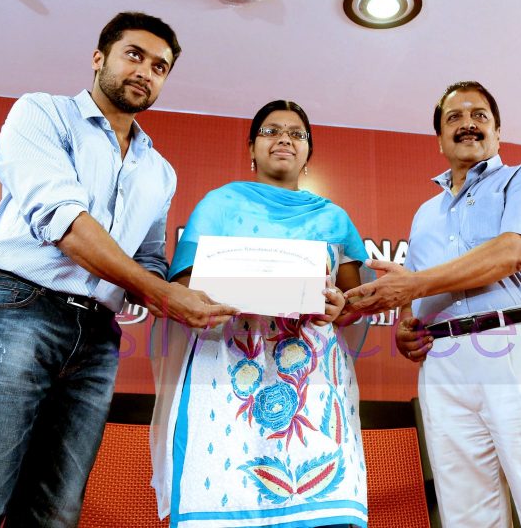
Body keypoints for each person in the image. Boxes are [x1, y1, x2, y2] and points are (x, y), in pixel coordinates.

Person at [0, 11, 236, 528]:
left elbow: (149, 264)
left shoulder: (159, 171)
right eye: (134, 55)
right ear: (100, 58)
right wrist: (164, 296)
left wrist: (226, 293)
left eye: (160, 67)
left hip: (98, 335)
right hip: (19, 311)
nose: (145, 71)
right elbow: (66, 224)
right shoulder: (42, 114)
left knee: (55, 514)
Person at [345, 81, 521, 527]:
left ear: (497, 131)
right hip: (443, 363)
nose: (467, 124)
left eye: (479, 115)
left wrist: (413, 288)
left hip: (516, 345)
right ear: (439, 138)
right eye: (454, 118)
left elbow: (512, 253)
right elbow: (416, 294)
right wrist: (406, 324)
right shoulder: (425, 214)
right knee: (465, 511)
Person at [151, 100, 369, 528]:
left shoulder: (334, 219)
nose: (284, 139)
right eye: (271, 131)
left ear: (309, 153)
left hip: (312, 379)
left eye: (296, 133)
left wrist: (343, 306)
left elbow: (355, 300)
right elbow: (179, 289)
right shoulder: (218, 206)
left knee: (323, 508)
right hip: (226, 375)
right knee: (226, 503)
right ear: (251, 147)